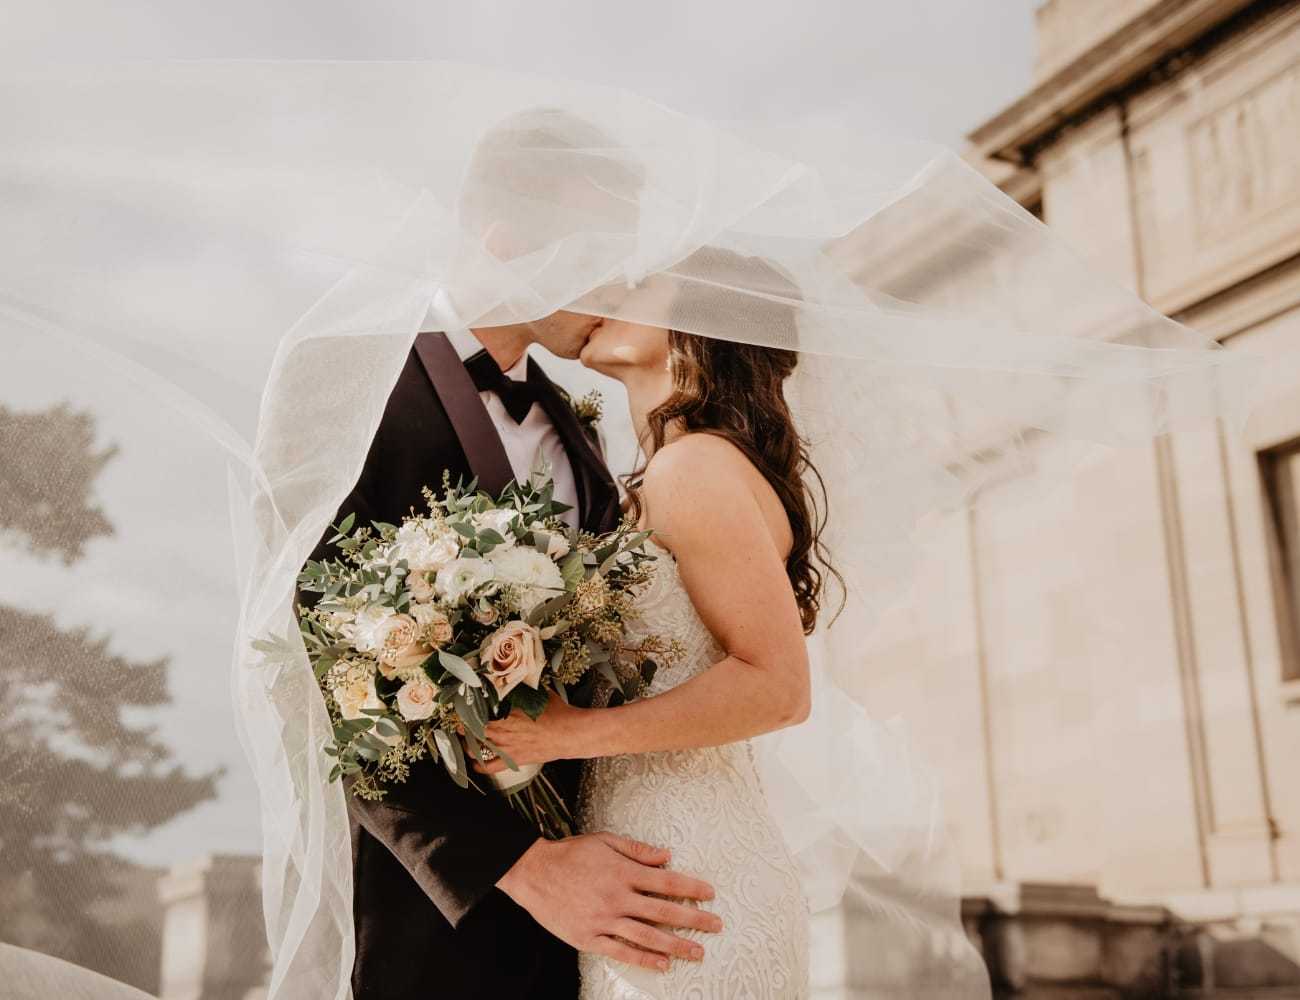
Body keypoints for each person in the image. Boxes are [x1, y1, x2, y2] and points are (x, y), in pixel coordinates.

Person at [306, 111, 723, 1000]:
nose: (619, 283)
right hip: (436, 922)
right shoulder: (341, 382)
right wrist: (525, 868)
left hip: (609, 915)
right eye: (598, 253)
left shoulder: (579, 432)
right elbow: (320, 669)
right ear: (506, 242)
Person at [477, 261, 828, 998]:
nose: (602, 290)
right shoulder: (666, 470)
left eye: (636, 283)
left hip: (690, 872)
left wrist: (566, 735)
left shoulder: (695, 469)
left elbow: (779, 686)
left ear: (699, 323)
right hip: (649, 860)